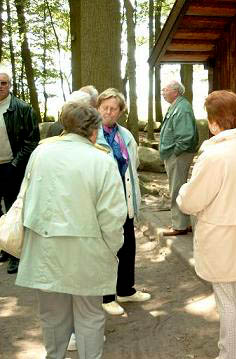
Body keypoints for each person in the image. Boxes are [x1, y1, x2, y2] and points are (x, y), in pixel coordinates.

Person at [15, 102, 127, 359]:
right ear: (93, 130)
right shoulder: (101, 159)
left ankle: (54, 356)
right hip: (88, 249)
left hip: (45, 247)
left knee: (52, 315)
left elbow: (27, 197)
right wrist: (112, 247)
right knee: (89, 314)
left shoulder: (40, 154)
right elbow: (112, 214)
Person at [177, 90, 236, 359]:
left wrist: (182, 192)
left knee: (227, 300)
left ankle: (230, 354)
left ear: (214, 121)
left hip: (222, 236)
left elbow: (191, 200)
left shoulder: (215, 154)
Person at [96, 88, 151, 316]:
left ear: (120, 112)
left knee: (128, 246)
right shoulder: (91, 134)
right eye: (105, 107)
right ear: (97, 108)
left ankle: (125, 290)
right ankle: (106, 296)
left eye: (114, 108)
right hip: (104, 203)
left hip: (125, 199)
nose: (109, 112)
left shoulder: (125, 135)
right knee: (107, 250)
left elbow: (132, 168)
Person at [0, 66, 39, 274]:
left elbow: (32, 141)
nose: (0, 87)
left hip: (13, 167)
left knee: (15, 210)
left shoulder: (23, 109)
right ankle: (4, 247)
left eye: (3, 83)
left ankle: (16, 253)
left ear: (10, 85)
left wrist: (15, 165)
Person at [159, 80, 198, 236]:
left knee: (177, 188)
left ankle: (179, 226)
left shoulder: (182, 108)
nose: (162, 92)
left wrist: (176, 152)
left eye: (165, 89)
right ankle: (184, 222)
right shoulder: (177, 105)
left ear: (175, 92)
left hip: (179, 155)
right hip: (176, 154)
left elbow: (185, 136)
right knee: (179, 187)